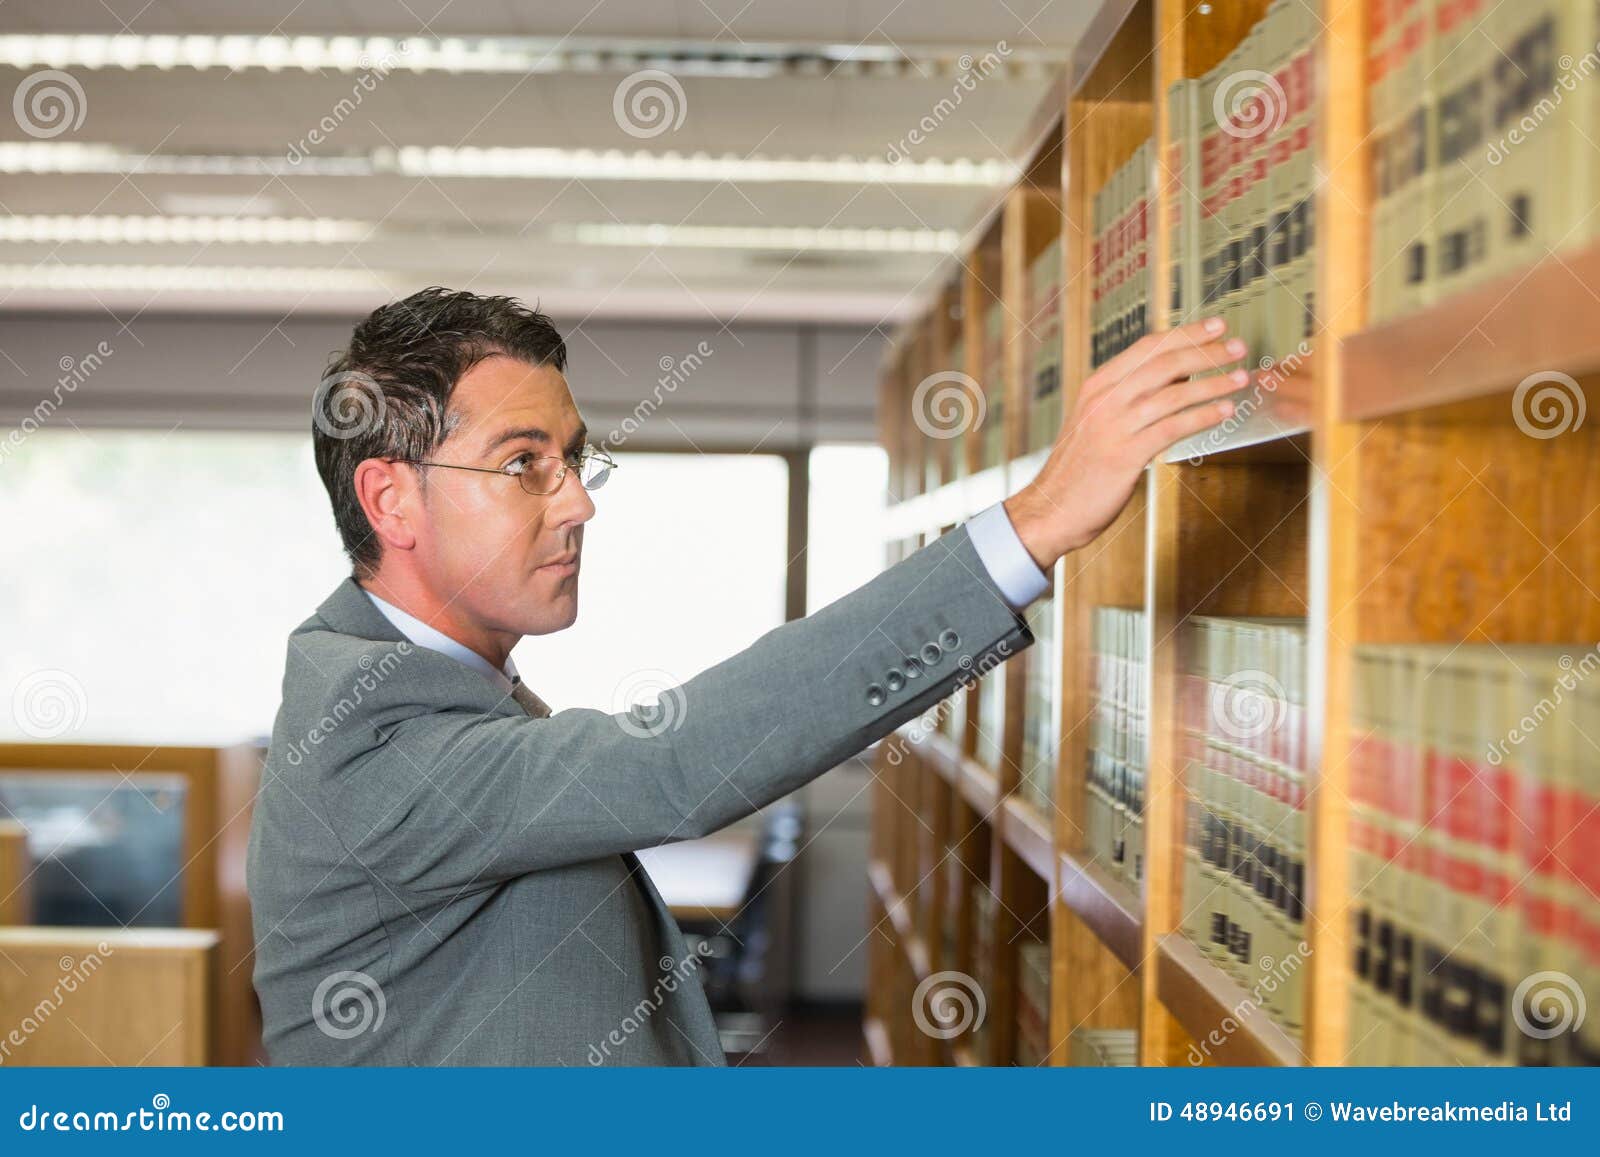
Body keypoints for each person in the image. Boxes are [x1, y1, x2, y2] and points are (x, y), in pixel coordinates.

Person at [246, 287, 1244, 1064]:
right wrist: (1032, 526)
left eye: (573, 461)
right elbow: (674, 760)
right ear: (393, 500)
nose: (576, 505)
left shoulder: (447, 685)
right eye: (521, 464)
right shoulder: (364, 723)